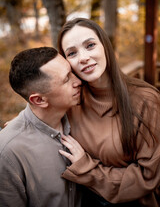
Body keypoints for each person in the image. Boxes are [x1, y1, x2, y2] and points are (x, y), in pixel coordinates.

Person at [57, 18, 160, 206]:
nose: (83, 58)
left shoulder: (146, 100)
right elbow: (40, 109)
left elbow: (148, 177)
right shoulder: (71, 101)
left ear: (105, 46)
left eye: (90, 45)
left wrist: (87, 169)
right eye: (72, 53)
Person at [0, 47, 82, 207]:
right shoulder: (8, 154)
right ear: (39, 100)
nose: (78, 81)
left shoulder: (81, 113)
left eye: (72, 72)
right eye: (67, 80)